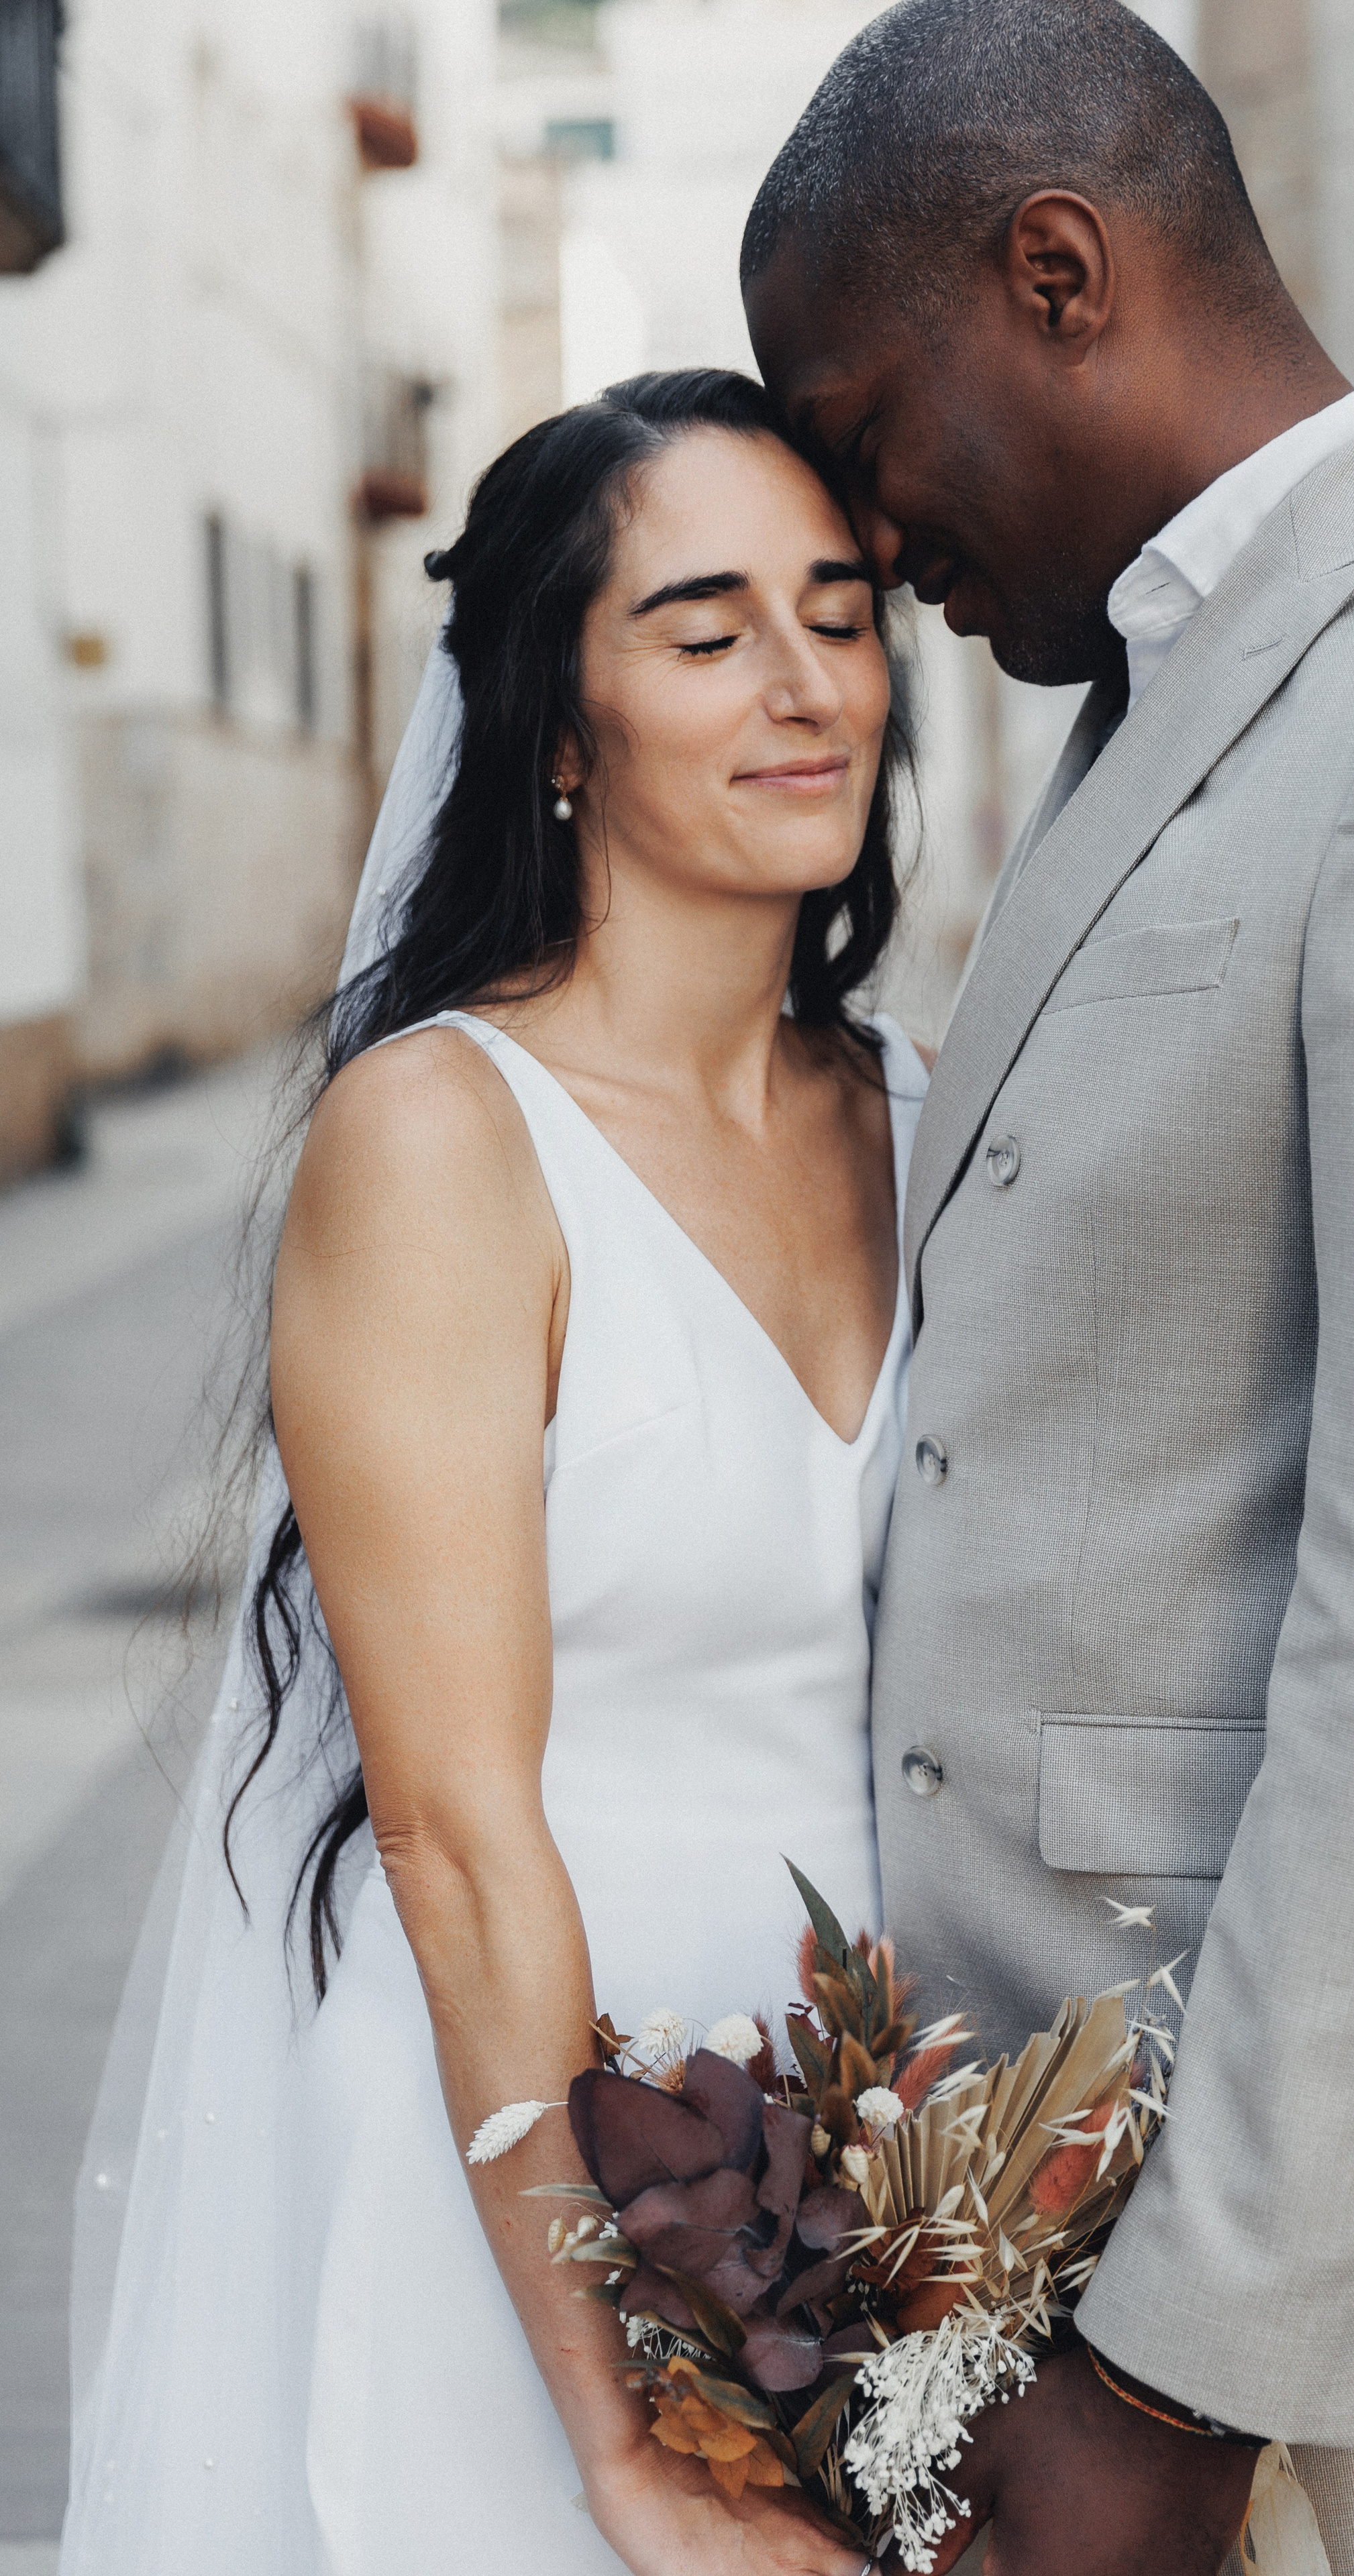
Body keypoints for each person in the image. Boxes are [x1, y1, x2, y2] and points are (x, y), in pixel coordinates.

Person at [741, 4, 1354, 2573]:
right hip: (1040, 2196)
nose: (863, 548)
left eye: (864, 433)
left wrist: (1183, 2379)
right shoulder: (1166, 681)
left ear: (1057, 270)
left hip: (1305, 2292)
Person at [60, 369, 922, 2576]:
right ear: (561, 724)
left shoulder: (938, 1101)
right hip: (540, 2156)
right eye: (709, 631)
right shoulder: (444, 1143)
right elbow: (450, 1834)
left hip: (898, 2172)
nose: (809, 685)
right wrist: (623, 2432)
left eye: (841, 612)